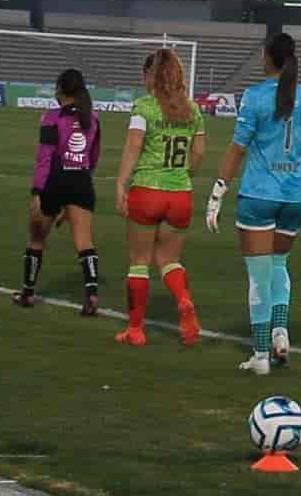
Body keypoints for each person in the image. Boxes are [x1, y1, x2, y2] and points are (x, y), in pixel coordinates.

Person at [207, 28, 301, 374]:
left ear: (269, 58)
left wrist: (217, 192)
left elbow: (237, 148)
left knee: (258, 276)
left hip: (258, 195)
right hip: (295, 198)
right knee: (279, 266)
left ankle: (260, 356)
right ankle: (280, 333)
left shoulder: (255, 97)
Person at [110, 47, 206, 345]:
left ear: (152, 76)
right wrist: (184, 175)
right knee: (169, 258)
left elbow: (133, 146)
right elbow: (200, 152)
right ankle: (183, 299)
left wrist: (121, 183)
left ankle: (136, 329)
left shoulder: (144, 108)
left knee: (139, 260)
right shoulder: (192, 110)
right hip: (180, 195)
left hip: (147, 190)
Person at [19, 66, 106, 316]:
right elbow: (94, 156)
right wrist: (82, 180)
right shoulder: (94, 118)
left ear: (59, 89)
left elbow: (44, 158)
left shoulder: (52, 117)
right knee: (84, 241)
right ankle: (91, 294)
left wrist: (36, 191)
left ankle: (27, 292)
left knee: (37, 238)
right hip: (81, 181)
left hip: (54, 182)